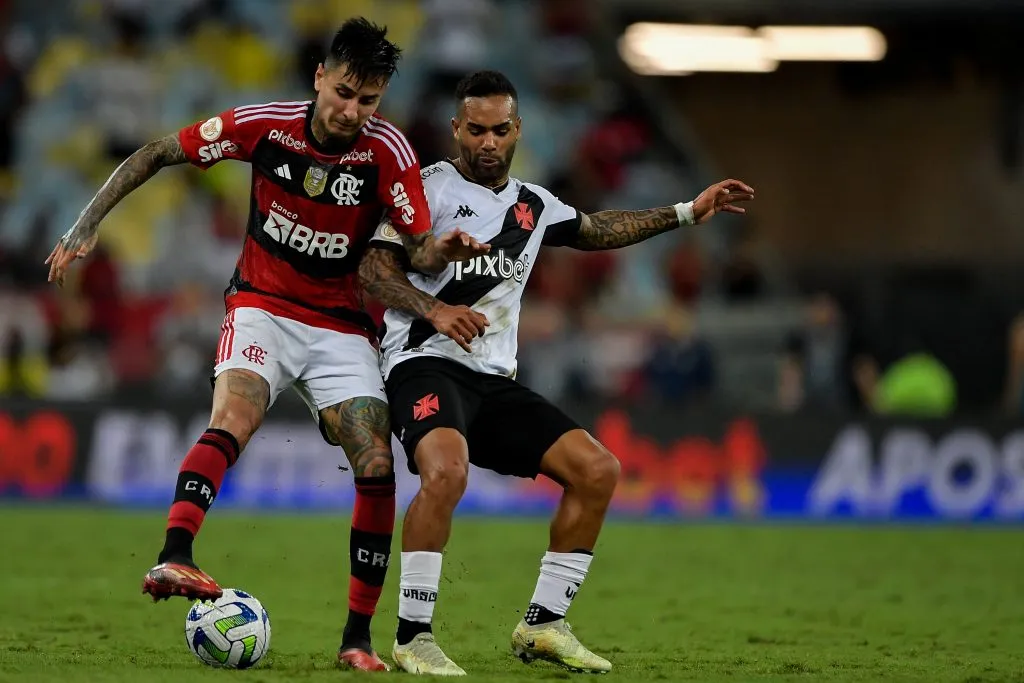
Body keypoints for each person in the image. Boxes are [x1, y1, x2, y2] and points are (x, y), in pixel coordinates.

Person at [44, 18, 486, 672]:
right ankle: (176, 553)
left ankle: (356, 638)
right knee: (238, 412)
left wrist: (437, 250)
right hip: (263, 305)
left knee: (375, 461)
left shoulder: (387, 151)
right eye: (343, 92)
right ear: (320, 77)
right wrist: (86, 224)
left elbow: (414, 248)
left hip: (340, 326)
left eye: (368, 100)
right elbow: (159, 152)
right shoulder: (267, 124)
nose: (351, 111)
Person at [359, 70, 754, 675]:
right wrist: (434, 310)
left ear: (517, 129)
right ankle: (414, 636)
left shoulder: (534, 206)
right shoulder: (424, 190)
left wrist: (685, 212)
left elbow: (595, 230)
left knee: (597, 470)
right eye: (475, 130)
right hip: (423, 364)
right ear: (456, 129)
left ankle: (543, 625)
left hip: (493, 380)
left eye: (499, 130)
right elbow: (375, 273)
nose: (487, 142)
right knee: (446, 472)